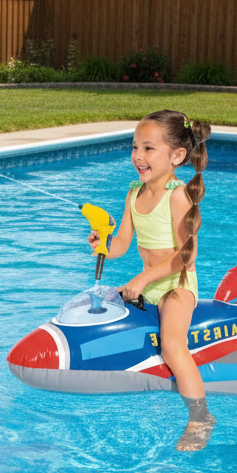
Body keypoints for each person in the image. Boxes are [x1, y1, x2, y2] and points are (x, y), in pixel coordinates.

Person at [88, 110, 215, 451]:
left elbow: (186, 256)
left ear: (177, 156)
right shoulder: (134, 193)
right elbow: (122, 244)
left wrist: (143, 278)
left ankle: (201, 416)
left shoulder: (178, 196)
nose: (138, 156)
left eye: (148, 148)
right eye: (134, 147)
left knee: (172, 345)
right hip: (147, 284)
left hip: (176, 286)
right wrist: (103, 244)